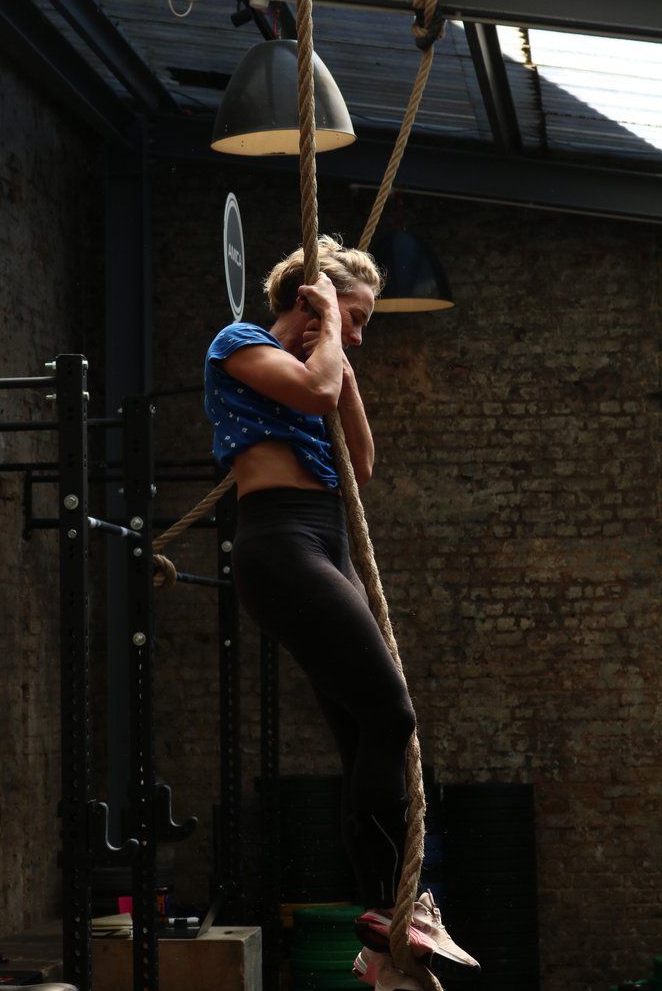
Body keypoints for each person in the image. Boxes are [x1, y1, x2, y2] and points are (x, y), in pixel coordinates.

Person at [203, 237, 478, 987]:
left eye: (361, 324)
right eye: (352, 318)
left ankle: (382, 930)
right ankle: (398, 909)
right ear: (309, 303)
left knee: (365, 729)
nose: (356, 335)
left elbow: (359, 461)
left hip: (329, 543)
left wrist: (344, 364)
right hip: (282, 545)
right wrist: (327, 333)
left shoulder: (322, 367)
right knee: (391, 713)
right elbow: (314, 393)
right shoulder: (240, 345)